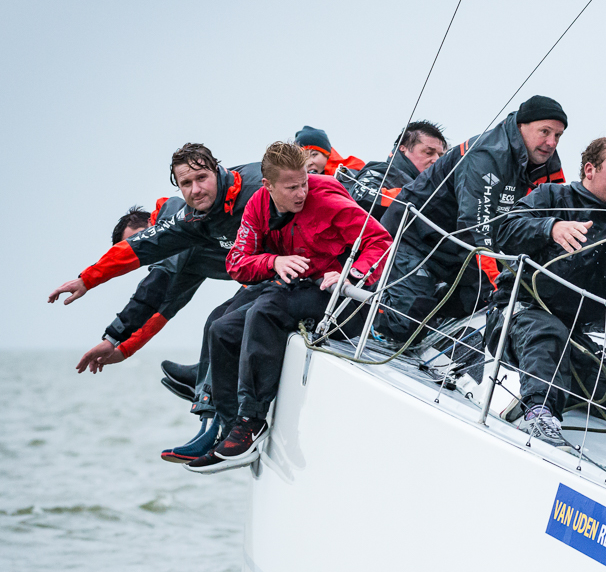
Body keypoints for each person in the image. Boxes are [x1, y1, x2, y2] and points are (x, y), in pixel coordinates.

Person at [187, 142, 391, 472]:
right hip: (294, 283)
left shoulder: (325, 198)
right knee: (222, 329)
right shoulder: (258, 204)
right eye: (292, 187)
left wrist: (350, 275)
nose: (301, 192)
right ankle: (228, 430)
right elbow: (236, 264)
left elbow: (379, 241)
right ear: (268, 186)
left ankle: (252, 421)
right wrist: (274, 261)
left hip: (337, 293)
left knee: (265, 311)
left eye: (304, 183)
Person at [50, 145, 264, 389]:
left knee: (222, 324)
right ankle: (208, 389)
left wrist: (87, 282)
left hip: (293, 264)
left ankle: (209, 386)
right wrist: (122, 347)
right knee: (218, 323)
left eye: (202, 178)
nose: (195, 188)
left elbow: (151, 275)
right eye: (187, 183)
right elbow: (163, 307)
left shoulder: (175, 223)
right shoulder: (190, 246)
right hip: (265, 275)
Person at [486, 136, 606, 447]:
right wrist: (550, 228)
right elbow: (503, 232)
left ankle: (555, 386)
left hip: (572, 337)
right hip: (518, 317)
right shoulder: (551, 196)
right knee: (546, 332)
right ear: (590, 169)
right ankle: (539, 412)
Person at [372, 95, 568, 344]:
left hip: (454, 248)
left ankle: (429, 326)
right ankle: (375, 318)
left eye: (558, 136)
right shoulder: (486, 154)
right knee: (403, 320)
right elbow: (475, 225)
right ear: (521, 126)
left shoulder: (547, 167)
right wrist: (499, 285)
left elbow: (550, 216)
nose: (551, 142)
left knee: (480, 298)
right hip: (414, 236)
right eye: (545, 131)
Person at [340, 120, 447, 214]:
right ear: (403, 148)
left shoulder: (433, 189)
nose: (436, 160)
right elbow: (363, 195)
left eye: (440, 156)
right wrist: (415, 196)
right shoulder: (383, 171)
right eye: (428, 152)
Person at [294, 125, 365, 176]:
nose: (309, 163)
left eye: (314, 154)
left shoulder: (348, 174)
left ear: (327, 155)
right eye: (302, 158)